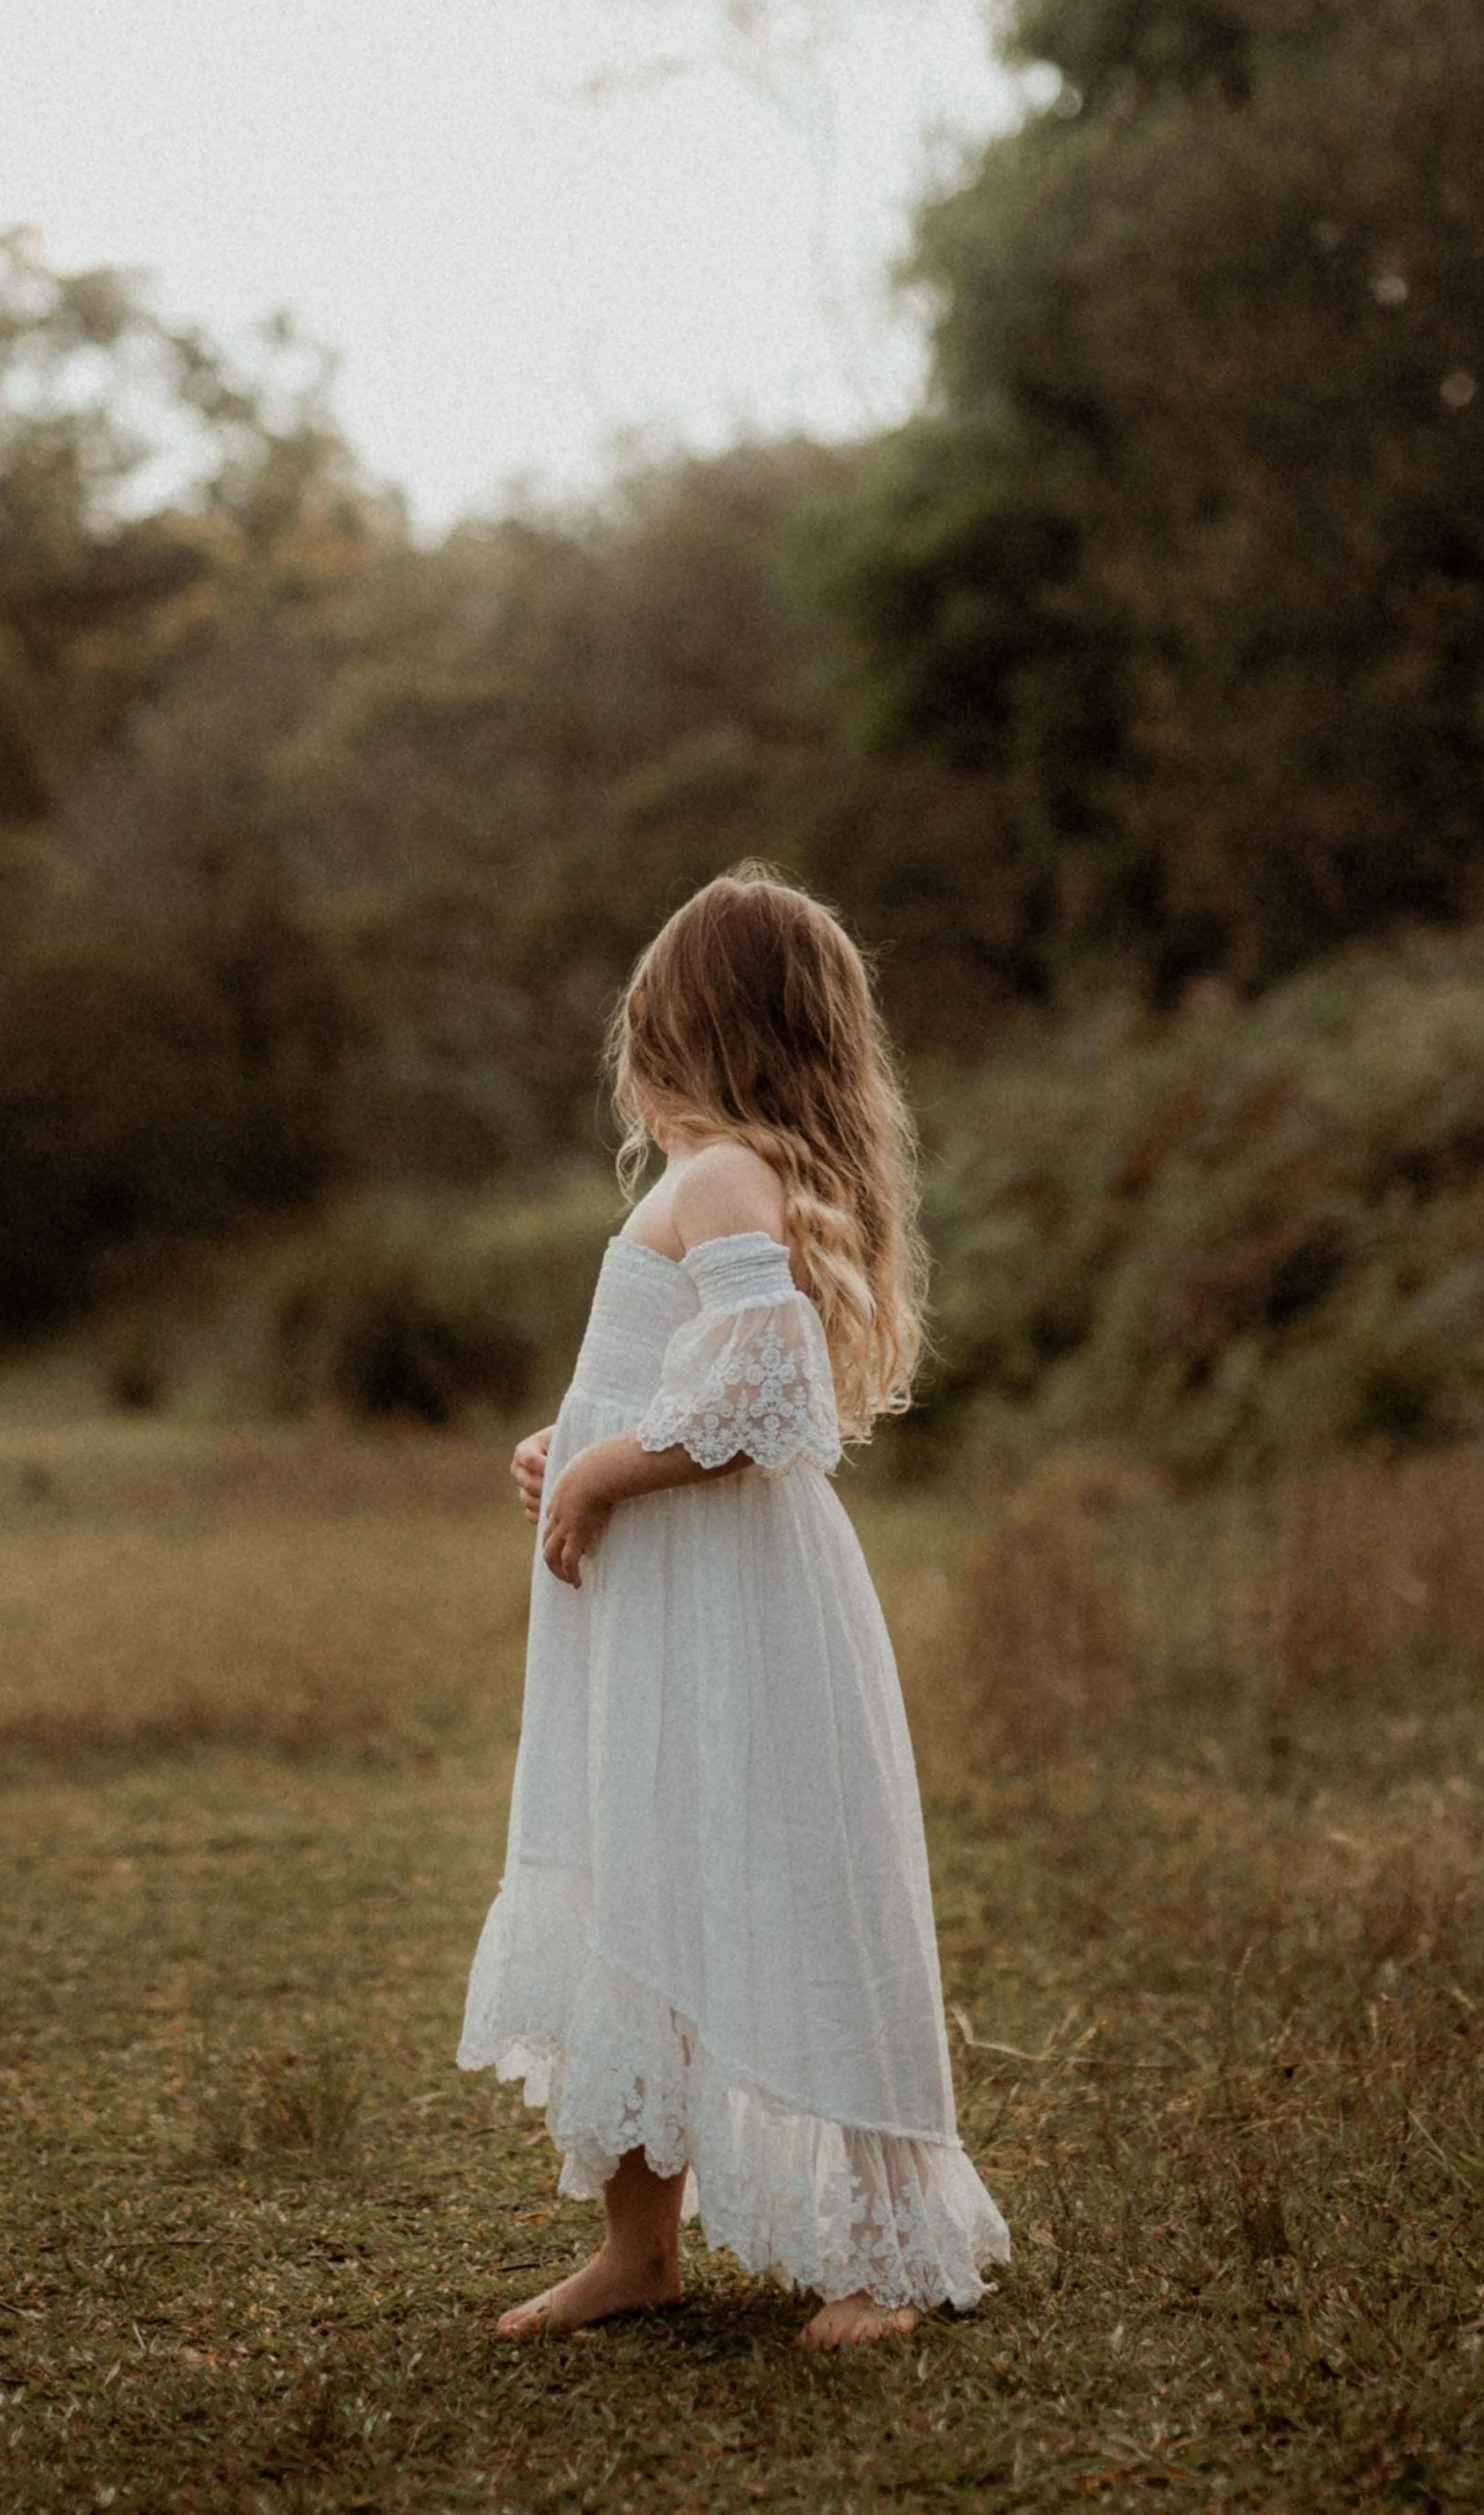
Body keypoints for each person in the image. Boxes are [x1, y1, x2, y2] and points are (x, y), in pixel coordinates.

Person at [457, 865, 1009, 2348]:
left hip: (724, 1602)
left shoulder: (715, 1176)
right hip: (663, 1600)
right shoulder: (735, 1180)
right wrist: (570, 1444)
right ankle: (636, 2253)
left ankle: (882, 2255)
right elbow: (687, 1377)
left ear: (681, 1028)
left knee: (785, 1881)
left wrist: (604, 1476)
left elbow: (761, 1394)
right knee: (646, 1879)